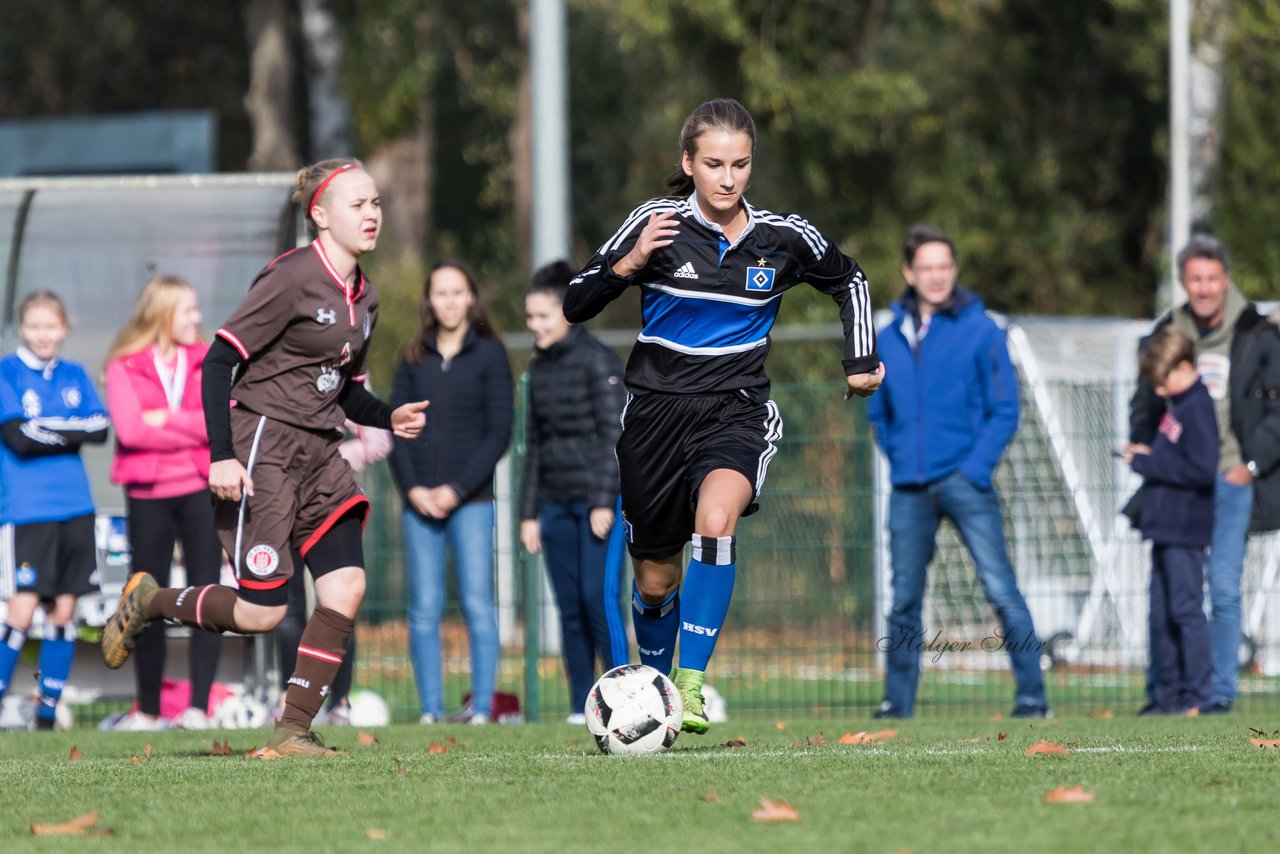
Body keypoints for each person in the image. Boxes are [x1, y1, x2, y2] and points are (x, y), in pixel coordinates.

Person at [561, 97, 882, 735]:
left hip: (735, 412)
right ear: (689, 163)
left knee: (716, 522)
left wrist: (861, 358)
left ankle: (691, 681)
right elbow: (574, 303)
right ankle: (654, 691)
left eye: (739, 164)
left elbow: (850, 279)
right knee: (654, 581)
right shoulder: (655, 222)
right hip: (653, 417)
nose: (727, 178)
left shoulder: (782, 239)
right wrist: (624, 267)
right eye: (713, 164)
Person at [101, 158, 429, 757]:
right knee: (259, 612)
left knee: (347, 588)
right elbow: (219, 361)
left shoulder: (367, 298)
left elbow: (342, 386)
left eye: (376, 203)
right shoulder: (291, 276)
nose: (372, 214)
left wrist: (387, 416)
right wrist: (221, 455)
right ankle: (149, 601)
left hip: (322, 450)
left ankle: (292, 731)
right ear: (321, 217)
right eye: (358, 205)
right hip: (264, 448)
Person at [866, 225, 1049, 719]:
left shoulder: (982, 330)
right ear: (909, 272)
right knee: (904, 601)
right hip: (908, 488)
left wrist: (974, 468)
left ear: (955, 270)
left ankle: (1033, 698)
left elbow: (1004, 408)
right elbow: (877, 411)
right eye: (926, 267)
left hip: (965, 482)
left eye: (944, 267)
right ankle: (896, 704)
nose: (936, 276)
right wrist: (901, 458)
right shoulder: (887, 335)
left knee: (1001, 589)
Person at [1128, 235, 1280, 714]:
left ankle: (1217, 693)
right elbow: (1144, 404)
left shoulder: (1258, 332)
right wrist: (1147, 456)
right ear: (1183, 282)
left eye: (1212, 278)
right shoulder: (1168, 331)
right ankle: (1165, 692)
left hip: (1231, 478)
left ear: (1226, 279)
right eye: (1195, 279)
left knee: (1224, 585)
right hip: (1179, 484)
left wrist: (1250, 466)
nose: (1205, 287)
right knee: (1171, 592)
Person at [389, 259, 512, 725]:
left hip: (472, 502)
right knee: (423, 608)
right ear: (429, 301)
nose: (449, 301)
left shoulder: (491, 355)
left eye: (457, 292)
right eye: (440, 293)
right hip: (418, 503)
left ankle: (481, 709)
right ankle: (429, 710)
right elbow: (393, 428)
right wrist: (414, 489)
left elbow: (499, 432)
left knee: (478, 604)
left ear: (472, 297)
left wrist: (457, 490)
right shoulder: (411, 356)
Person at [104, 275, 223, 731]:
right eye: (189, 310)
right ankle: (149, 711)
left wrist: (165, 419)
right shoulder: (124, 364)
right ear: (163, 313)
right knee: (145, 598)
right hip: (147, 494)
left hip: (198, 487)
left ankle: (199, 709)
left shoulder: (208, 359)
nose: (198, 319)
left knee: (205, 594)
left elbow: (218, 422)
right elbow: (131, 432)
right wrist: (187, 426)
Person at [519, 259, 628, 724]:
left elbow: (614, 436)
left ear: (567, 312)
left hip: (595, 504)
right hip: (554, 506)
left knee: (597, 600)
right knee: (567, 608)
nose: (534, 326)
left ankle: (625, 696)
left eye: (542, 316)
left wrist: (604, 499)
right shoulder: (539, 370)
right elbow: (535, 445)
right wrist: (528, 513)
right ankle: (581, 704)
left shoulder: (600, 361)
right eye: (529, 318)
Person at [0, 291, 110, 730]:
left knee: (64, 611)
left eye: (51, 326)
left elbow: (100, 429)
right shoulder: (6, 372)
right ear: (21, 328)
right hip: (27, 509)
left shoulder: (75, 374)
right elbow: (18, 437)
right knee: (21, 610)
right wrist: (70, 430)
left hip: (76, 506)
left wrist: (45, 427)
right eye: (34, 327)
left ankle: (46, 714)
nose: (43, 335)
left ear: (64, 329)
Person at [276, 411, 392, 726]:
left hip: (331, 499)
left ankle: (339, 700)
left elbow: (378, 439)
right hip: (281, 499)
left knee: (339, 604)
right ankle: (290, 702)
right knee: (287, 611)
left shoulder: (341, 369)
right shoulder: (267, 373)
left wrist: (330, 460)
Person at [1125, 326, 1217, 714]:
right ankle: (1167, 696)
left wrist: (1147, 461)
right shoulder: (1176, 407)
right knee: (1160, 615)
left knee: (1185, 611)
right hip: (1165, 528)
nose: (1158, 391)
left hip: (1185, 530)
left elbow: (1201, 468)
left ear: (1183, 367)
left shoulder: (1197, 407)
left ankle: (1197, 695)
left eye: (1162, 382)